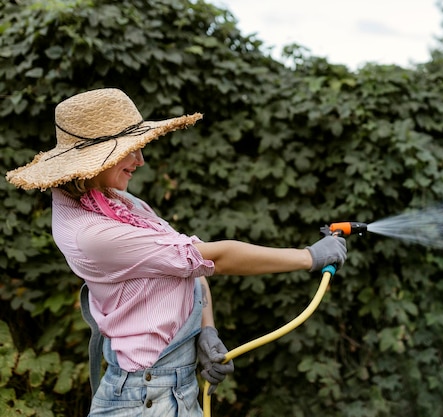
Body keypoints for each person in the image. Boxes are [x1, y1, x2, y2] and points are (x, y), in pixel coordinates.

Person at [5, 88, 347, 416]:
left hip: (166, 389)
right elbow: (209, 258)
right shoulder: (92, 233)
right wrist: (309, 257)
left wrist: (205, 330)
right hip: (145, 399)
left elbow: (185, 265)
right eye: (129, 149)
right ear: (93, 160)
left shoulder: (111, 201)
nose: (140, 159)